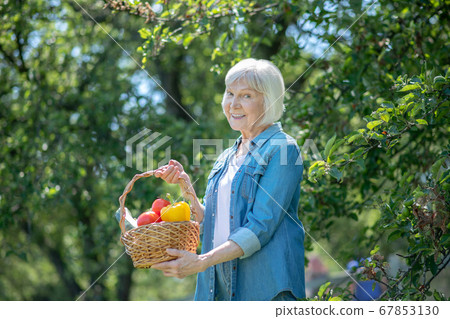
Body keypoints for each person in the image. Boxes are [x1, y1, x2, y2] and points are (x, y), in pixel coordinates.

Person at [151, 58, 305, 301]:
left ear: (269, 100)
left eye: (246, 96)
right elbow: (210, 220)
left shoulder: (282, 149)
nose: (233, 104)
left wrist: (201, 261)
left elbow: (260, 227)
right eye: (230, 93)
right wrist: (185, 185)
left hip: (265, 291)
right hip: (218, 291)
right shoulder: (226, 157)